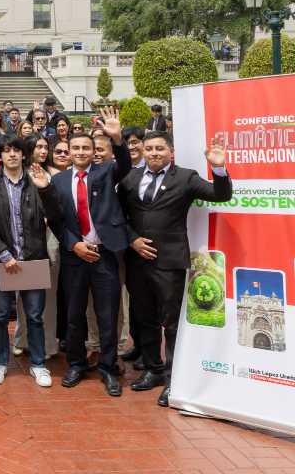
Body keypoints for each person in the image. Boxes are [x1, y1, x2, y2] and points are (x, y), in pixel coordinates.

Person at [119, 131, 231, 407]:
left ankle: (174, 379)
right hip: (137, 260)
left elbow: (221, 194)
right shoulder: (131, 178)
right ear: (143, 151)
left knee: (171, 322)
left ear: (171, 152)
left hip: (169, 262)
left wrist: (218, 168)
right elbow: (118, 215)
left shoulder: (185, 177)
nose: (154, 153)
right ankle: (153, 370)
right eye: (149, 148)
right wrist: (132, 240)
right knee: (144, 318)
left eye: (160, 148)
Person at [49, 106, 131, 397]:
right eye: (76, 148)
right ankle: (76, 363)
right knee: (74, 314)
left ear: (94, 151)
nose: (82, 152)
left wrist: (117, 139)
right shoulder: (58, 181)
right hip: (75, 256)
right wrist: (75, 244)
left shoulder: (106, 171)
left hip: (105, 254)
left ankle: (108, 367)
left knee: (107, 314)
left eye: (87, 148)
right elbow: (56, 220)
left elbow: (125, 165)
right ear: (68, 152)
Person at [0, 136, 59, 388]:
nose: (12, 154)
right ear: (0, 156)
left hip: (33, 259)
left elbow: (56, 214)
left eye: (16, 150)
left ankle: (38, 364)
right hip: (3, 261)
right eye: (6, 151)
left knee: (35, 316)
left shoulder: (36, 180)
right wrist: (3, 254)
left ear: (24, 154)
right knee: (0, 314)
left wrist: (45, 189)